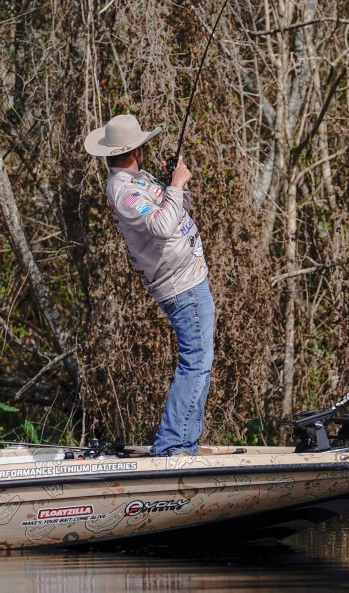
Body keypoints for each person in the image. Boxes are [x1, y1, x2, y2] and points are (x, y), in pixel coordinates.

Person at [84, 113, 214, 456]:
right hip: (181, 286)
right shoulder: (123, 190)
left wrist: (174, 184)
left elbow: (178, 211)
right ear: (134, 151)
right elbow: (160, 227)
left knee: (201, 360)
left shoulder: (139, 178)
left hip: (191, 277)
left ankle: (184, 442)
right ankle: (173, 445)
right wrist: (175, 186)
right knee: (196, 361)